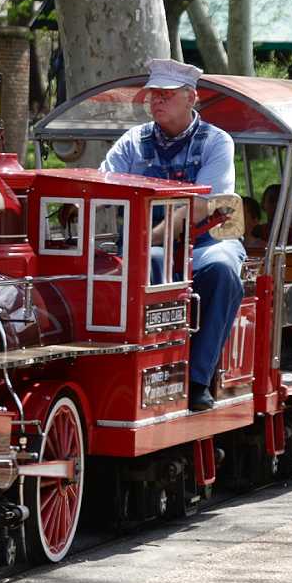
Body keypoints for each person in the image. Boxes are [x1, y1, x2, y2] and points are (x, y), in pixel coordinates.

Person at [100, 58, 243, 411]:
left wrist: (147, 238)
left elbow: (202, 205)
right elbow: (104, 183)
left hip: (205, 242)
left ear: (190, 98)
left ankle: (196, 379)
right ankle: (139, 368)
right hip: (144, 244)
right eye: (153, 95)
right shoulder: (133, 141)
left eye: (165, 95)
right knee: (136, 265)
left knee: (223, 269)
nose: (156, 102)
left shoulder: (216, 142)